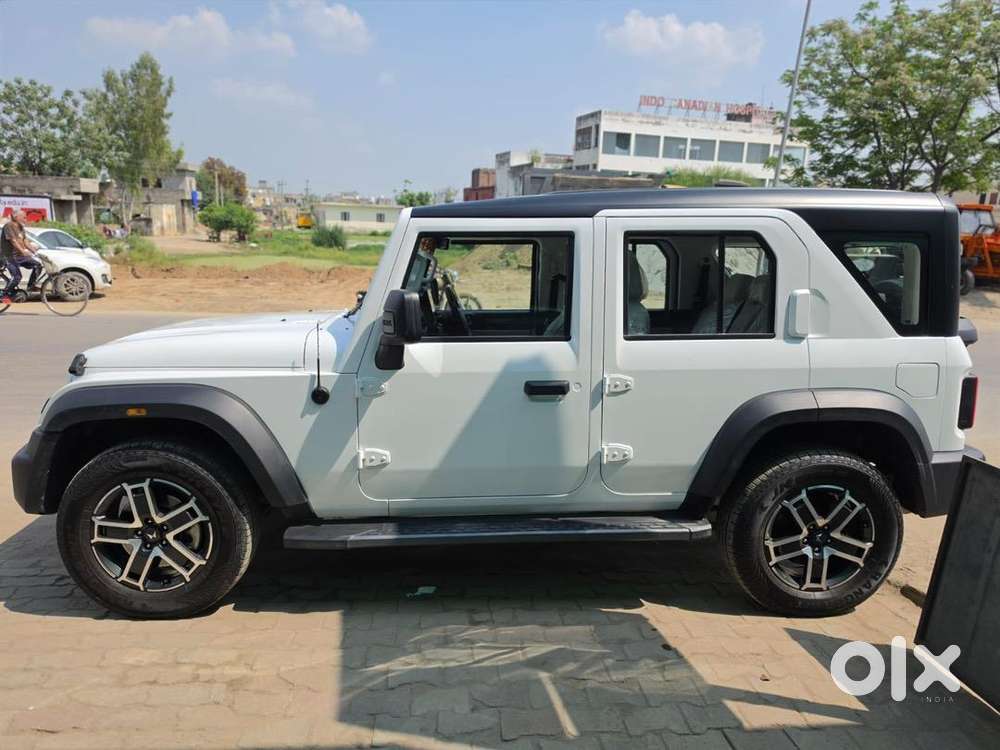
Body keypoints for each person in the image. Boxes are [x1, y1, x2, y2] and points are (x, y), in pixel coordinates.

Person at [1, 210, 43, 304]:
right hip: (8, 256)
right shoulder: (9, 226)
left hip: (19, 256)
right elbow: (13, 241)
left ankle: (31, 286)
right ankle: (4, 295)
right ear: (16, 217)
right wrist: (23, 251)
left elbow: (25, 241)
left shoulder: (21, 228)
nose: (25, 219)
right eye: (23, 217)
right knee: (17, 277)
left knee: (37, 265)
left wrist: (35, 251)